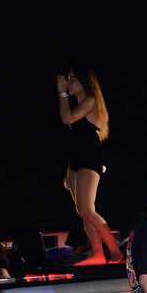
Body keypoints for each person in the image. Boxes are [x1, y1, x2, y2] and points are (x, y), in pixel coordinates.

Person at [57, 64, 123, 266]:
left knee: (86, 209)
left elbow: (67, 118)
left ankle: (114, 251)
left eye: (72, 78)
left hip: (90, 159)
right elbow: (74, 141)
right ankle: (98, 254)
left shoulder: (91, 100)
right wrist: (68, 170)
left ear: (84, 82)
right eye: (68, 79)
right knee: (83, 212)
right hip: (76, 161)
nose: (69, 83)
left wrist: (62, 93)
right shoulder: (78, 105)